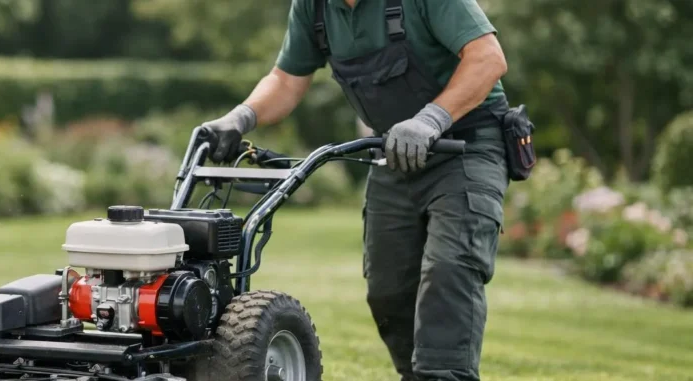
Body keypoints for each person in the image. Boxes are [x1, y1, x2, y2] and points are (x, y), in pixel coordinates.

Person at [200, 0, 520, 380]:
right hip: (392, 152)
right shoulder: (313, 7)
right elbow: (287, 79)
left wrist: (431, 118)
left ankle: (443, 375)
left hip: (467, 145)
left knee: (450, 269)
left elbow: (487, 58)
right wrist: (241, 117)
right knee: (389, 288)